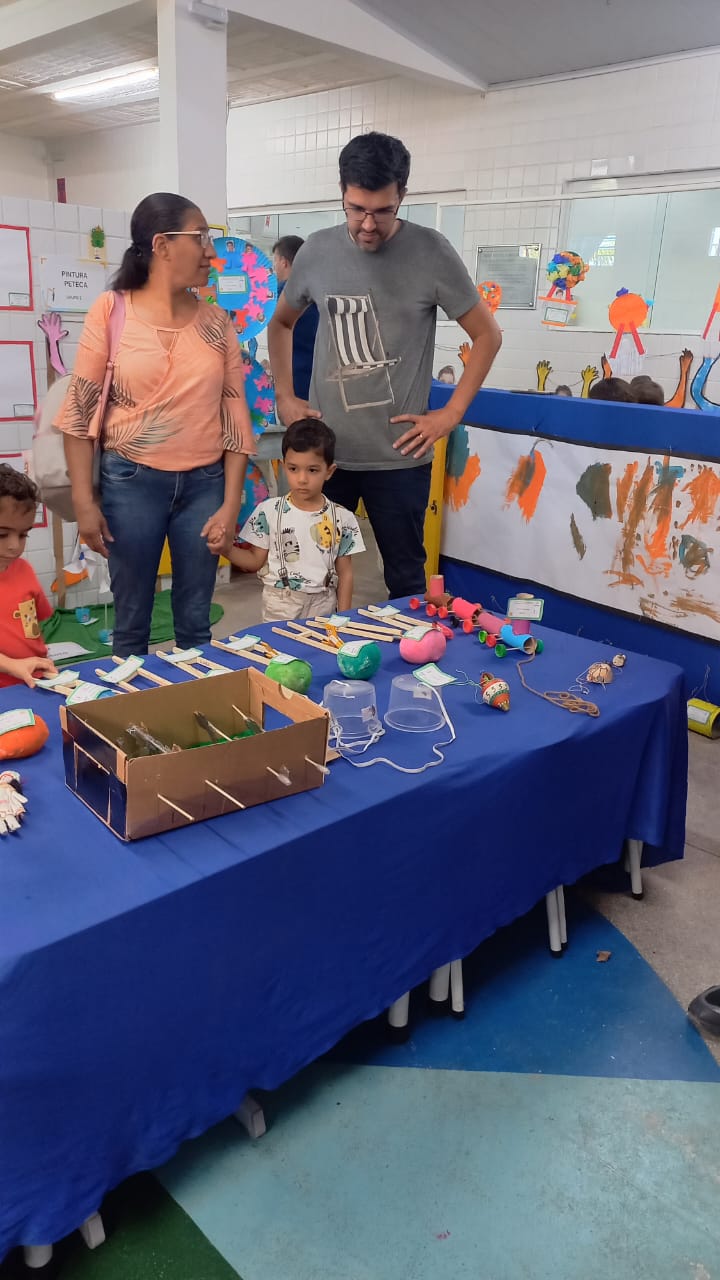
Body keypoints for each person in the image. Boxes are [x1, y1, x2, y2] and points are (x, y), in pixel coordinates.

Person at [268, 131, 501, 599]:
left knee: (406, 580)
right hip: (325, 457)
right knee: (308, 577)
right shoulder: (316, 251)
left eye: (383, 210)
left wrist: (450, 414)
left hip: (399, 456)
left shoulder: (432, 252)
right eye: (356, 209)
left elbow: (487, 335)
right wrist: (285, 395)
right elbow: (281, 324)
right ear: (342, 193)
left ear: (402, 196)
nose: (368, 225)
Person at [57, 192, 254, 658]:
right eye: (200, 237)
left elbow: (235, 418)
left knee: (195, 623)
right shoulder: (111, 311)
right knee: (131, 625)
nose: (210, 251)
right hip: (130, 483)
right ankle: (133, 704)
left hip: (205, 486)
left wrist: (230, 505)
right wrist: (84, 503)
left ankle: (192, 698)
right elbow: (79, 412)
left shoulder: (217, 323)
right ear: (162, 245)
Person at [229, 418, 365, 622]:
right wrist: (225, 548)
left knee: (320, 644)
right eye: (293, 469)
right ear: (284, 466)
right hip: (280, 603)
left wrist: (343, 619)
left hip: (324, 604)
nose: (302, 479)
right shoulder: (269, 511)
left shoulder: (342, 518)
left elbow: (345, 574)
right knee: (279, 644)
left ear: (329, 471)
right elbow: (254, 561)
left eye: (312, 470)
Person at [0, 466, 57, 688]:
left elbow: (31, 629)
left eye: (23, 534)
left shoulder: (23, 569)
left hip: (35, 680)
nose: (15, 546)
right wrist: (12, 665)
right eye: (2, 534)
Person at [272, 236, 319, 401]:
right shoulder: (317, 291)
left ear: (283, 262)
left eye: (275, 261)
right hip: (318, 375)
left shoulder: (278, 293)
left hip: (293, 379)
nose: (274, 267)